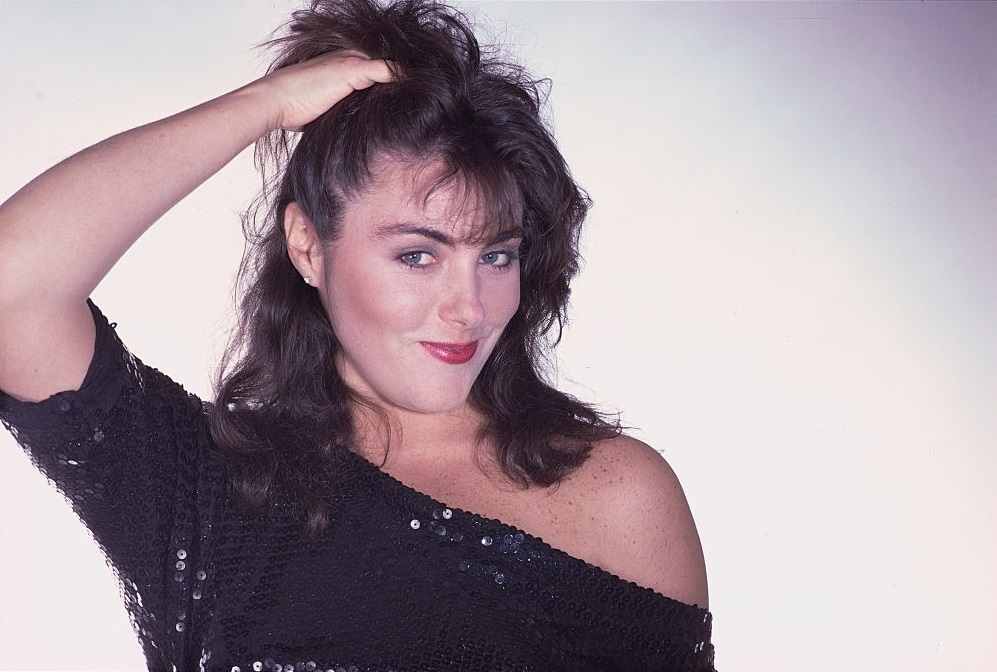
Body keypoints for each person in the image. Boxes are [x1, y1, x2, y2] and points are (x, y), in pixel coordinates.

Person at [0, 0, 714, 669]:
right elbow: (13, 289)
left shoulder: (617, 496)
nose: (467, 307)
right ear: (308, 246)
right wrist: (266, 106)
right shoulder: (208, 492)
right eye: (416, 255)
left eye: (496, 255)